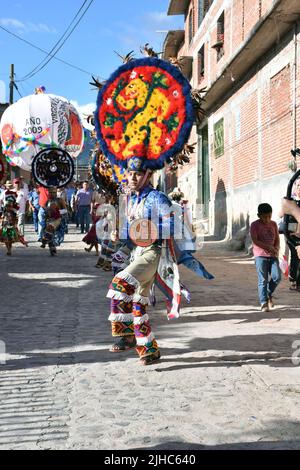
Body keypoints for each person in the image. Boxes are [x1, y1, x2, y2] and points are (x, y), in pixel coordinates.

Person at [250, 203, 281, 312]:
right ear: (259, 215)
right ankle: (263, 302)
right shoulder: (254, 225)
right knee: (263, 279)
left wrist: (276, 248)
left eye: (269, 216)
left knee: (277, 276)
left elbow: (277, 238)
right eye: (264, 217)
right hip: (260, 256)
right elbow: (255, 240)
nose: (267, 219)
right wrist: (267, 247)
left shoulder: (273, 224)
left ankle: (267, 293)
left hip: (273, 255)